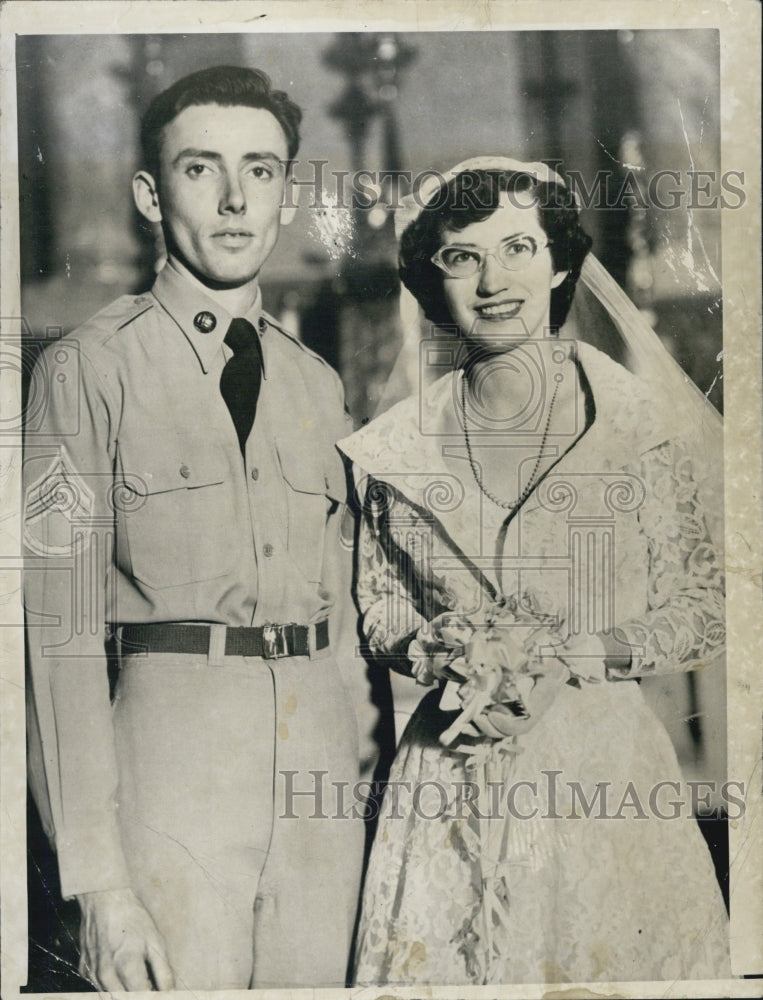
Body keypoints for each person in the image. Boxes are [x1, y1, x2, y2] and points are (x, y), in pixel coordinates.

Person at [339, 158, 730, 984]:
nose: (493, 281)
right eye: (461, 256)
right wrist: (450, 652)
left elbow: (703, 605)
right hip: (448, 772)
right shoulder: (391, 451)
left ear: (559, 264)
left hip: (603, 771)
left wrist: (570, 658)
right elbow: (376, 609)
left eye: (518, 247)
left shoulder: (634, 423)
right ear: (427, 279)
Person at [23, 65, 364, 991]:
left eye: (260, 171)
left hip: (319, 790)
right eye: (199, 168)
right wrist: (98, 886)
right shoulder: (87, 372)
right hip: (169, 785)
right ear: (148, 192)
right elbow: (53, 647)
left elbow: (341, 629)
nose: (232, 199)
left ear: (287, 193)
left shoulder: (317, 386)